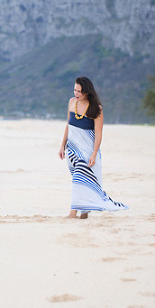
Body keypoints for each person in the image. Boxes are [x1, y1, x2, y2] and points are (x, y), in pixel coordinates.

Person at [58, 76, 128, 219]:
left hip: (87, 150)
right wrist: (62, 146)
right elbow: (68, 125)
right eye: (75, 90)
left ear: (87, 92)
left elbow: (99, 133)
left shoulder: (96, 108)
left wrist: (94, 153)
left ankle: (73, 213)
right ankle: (84, 213)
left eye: (80, 91)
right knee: (78, 179)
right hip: (72, 149)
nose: (76, 94)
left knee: (79, 178)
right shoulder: (72, 102)